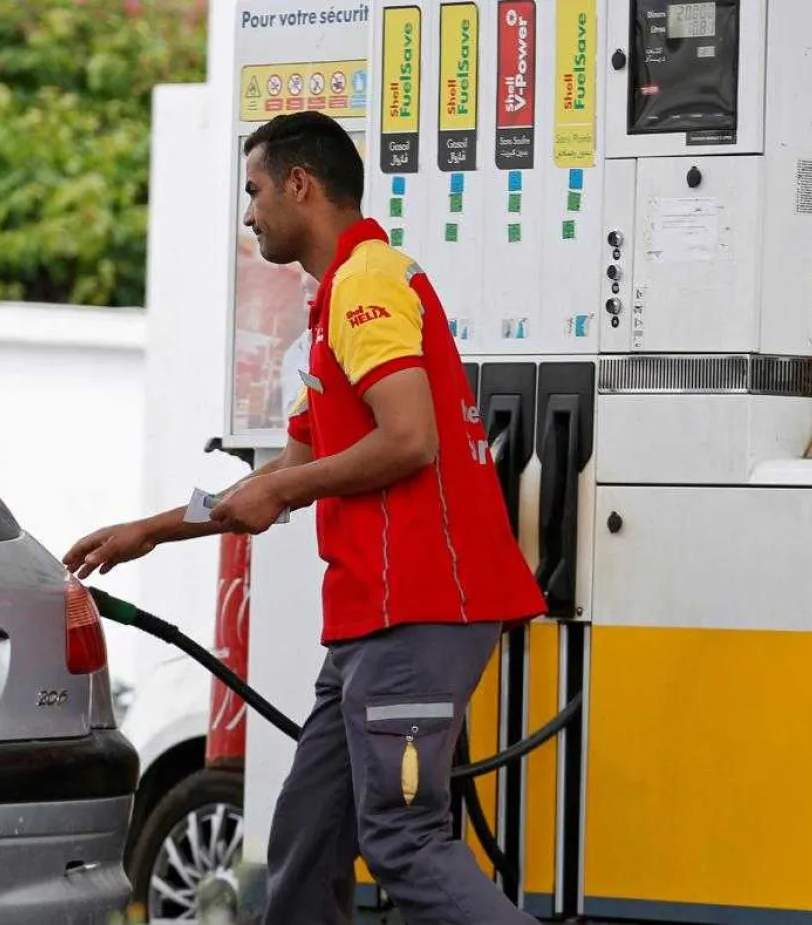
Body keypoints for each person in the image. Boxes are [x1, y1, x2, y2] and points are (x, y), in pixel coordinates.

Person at [65, 110, 546, 925]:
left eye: (254, 191)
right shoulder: (330, 313)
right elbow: (283, 473)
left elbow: (410, 438)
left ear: (300, 184)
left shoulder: (367, 283)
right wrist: (153, 528)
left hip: (419, 611)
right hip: (371, 620)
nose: (248, 213)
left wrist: (283, 493)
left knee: (401, 838)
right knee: (309, 835)